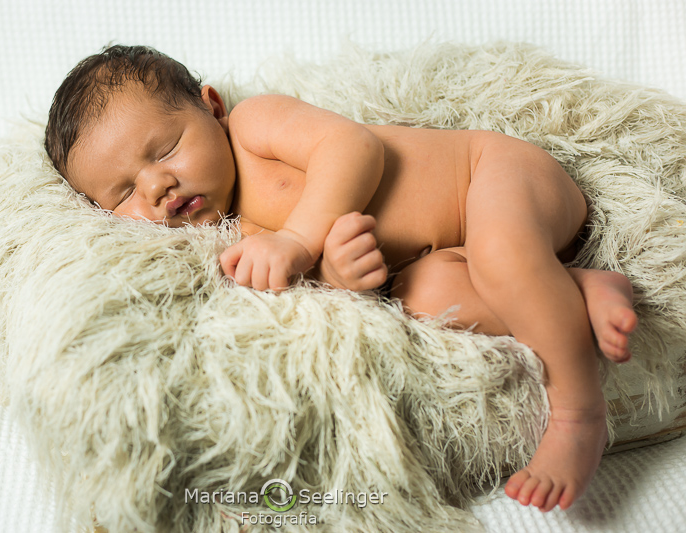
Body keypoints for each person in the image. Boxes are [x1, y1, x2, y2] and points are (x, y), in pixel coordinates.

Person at [45, 44, 638, 512]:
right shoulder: (241, 243)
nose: (156, 187)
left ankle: (576, 413)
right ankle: (579, 290)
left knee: (502, 252)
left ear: (213, 106)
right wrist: (344, 277)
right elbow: (337, 303)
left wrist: (302, 241)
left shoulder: (254, 126)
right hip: (451, 253)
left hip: (496, 176)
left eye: (167, 148)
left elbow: (351, 147)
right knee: (426, 298)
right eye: (123, 192)